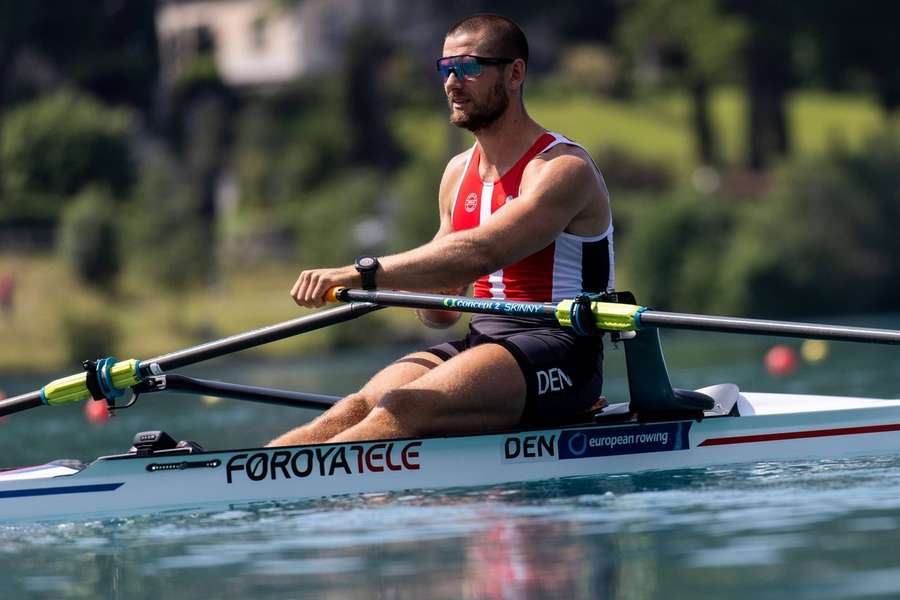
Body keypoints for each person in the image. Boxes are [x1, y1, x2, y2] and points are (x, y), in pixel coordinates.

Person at [267, 14, 613, 447]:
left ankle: (331, 499)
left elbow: (482, 251)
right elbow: (441, 311)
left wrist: (361, 273)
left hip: (562, 350)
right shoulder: (456, 174)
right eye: (445, 69)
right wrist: (425, 292)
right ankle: (247, 500)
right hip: (483, 341)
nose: (452, 82)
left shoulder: (562, 169)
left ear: (515, 73)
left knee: (404, 407)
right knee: (356, 408)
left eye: (468, 67)